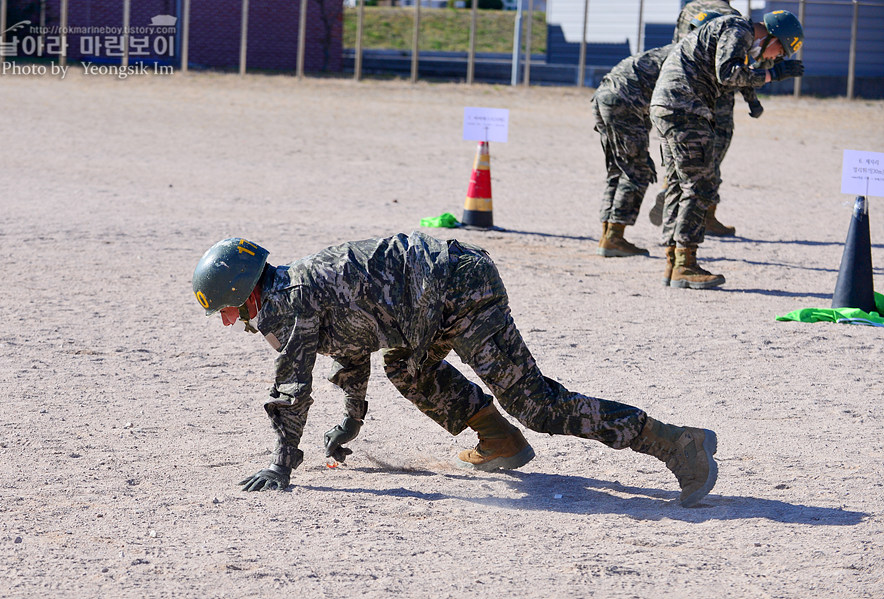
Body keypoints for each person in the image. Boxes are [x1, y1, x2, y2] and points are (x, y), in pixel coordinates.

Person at [192, 233, 719, 507]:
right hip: (424, 305)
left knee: (536, 402)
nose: (227, 321)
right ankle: (499, 442)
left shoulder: (289, 303)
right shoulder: (290, 290)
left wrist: (283, 464)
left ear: (243, 289)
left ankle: (674, 443)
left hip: (458, 289)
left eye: (226, 309)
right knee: (406, 368)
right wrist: (350, 425)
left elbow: (291, 390)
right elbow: (352, 354)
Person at [650, 11, 804, 289]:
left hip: (670, 104)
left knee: (678, 183)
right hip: (686, 106)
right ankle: (685, 265)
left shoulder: (733, 31)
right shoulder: (739, 29)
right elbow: (729, 73)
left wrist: (758, 89)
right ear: (772, 35)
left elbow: (728, 72)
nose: (774, 57)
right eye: (780, 50)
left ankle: (674, 261)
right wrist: (770, 75)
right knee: (700, 184)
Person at [647, 0, 773, 237]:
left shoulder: (688, 10)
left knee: (683, 147)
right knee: (713, 151)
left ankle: (673, 188)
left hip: (683, 85)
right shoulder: (734, 17)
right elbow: (738, 65)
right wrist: (752, 100)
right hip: (718, 92)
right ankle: (706, 213)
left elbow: (678, 48)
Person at [592, 43, 675, 258]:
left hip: (606, 95)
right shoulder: (687, 56)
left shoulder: (670, 50)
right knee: (636, 170)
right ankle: (614, 237)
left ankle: (607, 234)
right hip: (625, 102)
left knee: (618, 169)